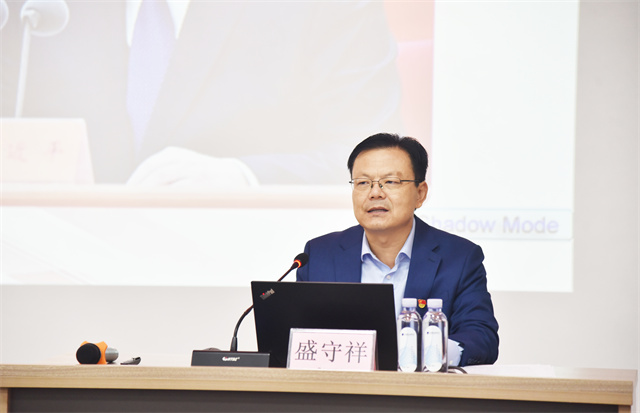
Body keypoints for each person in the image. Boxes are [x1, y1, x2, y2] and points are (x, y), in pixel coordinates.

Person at [1, 1, 402, 185]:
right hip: (49, 281)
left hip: (244, 279)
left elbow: (376, 161)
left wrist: (242, 178)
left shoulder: (325, 7)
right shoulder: (36, 11)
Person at [296, 133, 499, 366]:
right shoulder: (318, 255)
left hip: (420, 388)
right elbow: (296, 336)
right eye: (362, 183)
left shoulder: (459, 258)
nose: (375, 193)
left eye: (390, 182)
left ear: (420, 194)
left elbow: (481, 338)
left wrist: (430, 351)